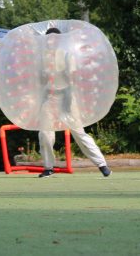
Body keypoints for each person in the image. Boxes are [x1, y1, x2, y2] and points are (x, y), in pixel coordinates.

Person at [37, 27, 111, 178]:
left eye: (54, 39)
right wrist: (44, 75)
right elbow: (40, 80)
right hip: (49, 97)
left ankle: (101, 164)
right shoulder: (42, 58)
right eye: (48, 39)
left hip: (66, 96)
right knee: (45, 133)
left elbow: (73, 78)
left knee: (78, 132)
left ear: (59, 41)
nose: (51, 41)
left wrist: (68, 93)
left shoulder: (66, 55)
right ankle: (48, 167)